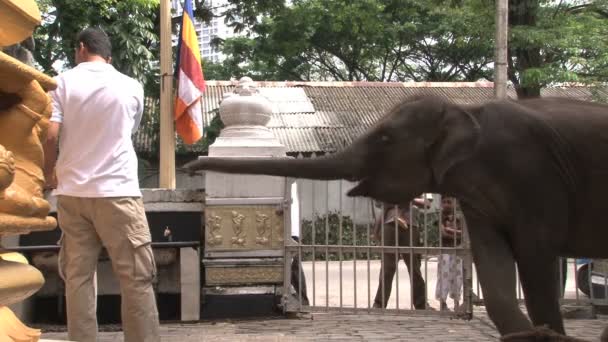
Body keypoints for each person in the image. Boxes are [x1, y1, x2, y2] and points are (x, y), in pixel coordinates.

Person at [43, 27, 160, 342]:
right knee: (136, 278)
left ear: (81, 48)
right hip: (118, 192)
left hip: (72, 195)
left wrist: (48, 173)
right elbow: (127, 131)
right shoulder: (130, 85)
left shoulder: (60, 84)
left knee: (77, 278)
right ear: (108, 56)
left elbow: (50, 135)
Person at [372, 198, 428, 309]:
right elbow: (381, 203)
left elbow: (427, 203)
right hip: (390, 223)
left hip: (411, 225)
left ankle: (421, 304)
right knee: (387, 268)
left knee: (414, 267)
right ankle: (379, 303)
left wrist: (408, 198)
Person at [435, 196, 464, 311]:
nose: (446, 204)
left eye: (449, 202)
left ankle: (457, 302)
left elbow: (464, 234)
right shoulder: (440, 216)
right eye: (444, 202)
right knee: (444, 275)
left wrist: (450, 230)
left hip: (457, 248)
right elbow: (443, 234)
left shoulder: (459, 217)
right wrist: (457, 232)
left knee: (458, 276)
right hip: (445, 249)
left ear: (455, 203)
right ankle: (443, 302)